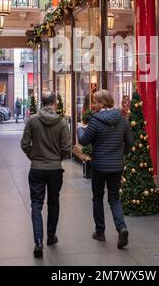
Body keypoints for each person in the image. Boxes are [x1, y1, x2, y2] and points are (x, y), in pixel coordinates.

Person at [77, 89, 134, 249]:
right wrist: (119, 155)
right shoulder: (122, 119)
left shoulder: (95, 120)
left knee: (97, 197)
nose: (93, 105)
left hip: (100, 166)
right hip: (116, 166)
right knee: (114, 198)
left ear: (103, 103)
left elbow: (84, 141)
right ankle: (121, 227)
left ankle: (100, 232)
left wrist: (80, 128)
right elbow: (130, 142)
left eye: (95, 102)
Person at [21, 91, 71, 258]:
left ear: (42, 102)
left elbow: (25, 144)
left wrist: (33, 156)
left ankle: (38, 241)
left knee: (36, 203)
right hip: (55, 169)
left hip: (36, 168)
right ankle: (51, 236)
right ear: (54, 102)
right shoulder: (62, 122)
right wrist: (58, 159)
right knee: (54, 202)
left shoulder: (32, 120)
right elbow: (66, 148)